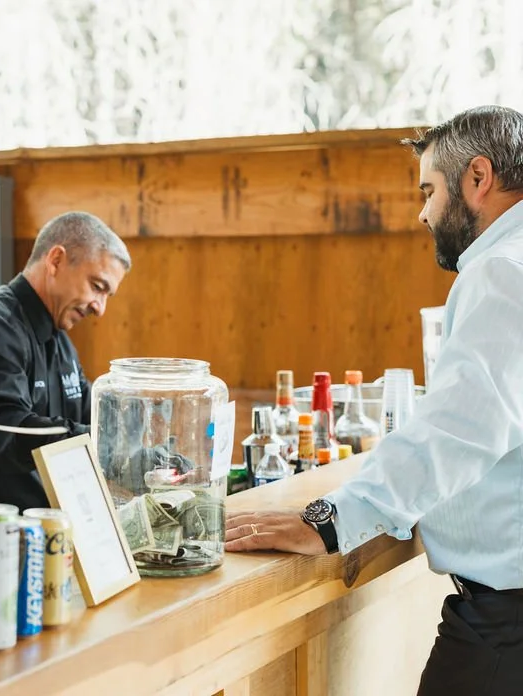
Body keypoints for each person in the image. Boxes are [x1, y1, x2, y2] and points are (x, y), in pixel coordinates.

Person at [224, 105, 523, 695]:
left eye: (429, 191)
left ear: (478, 178)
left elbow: (458, 428)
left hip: (507, 619)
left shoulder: (501, 272)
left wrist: (332, 521)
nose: (423, 213)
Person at [0, 211, 131, 512]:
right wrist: (106, 444)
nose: (100, 308)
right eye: (97, 286)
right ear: (55, 260)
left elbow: (89, 409)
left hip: (39, 531)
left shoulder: (59, 340)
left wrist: (143, 438)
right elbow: (7, 435)